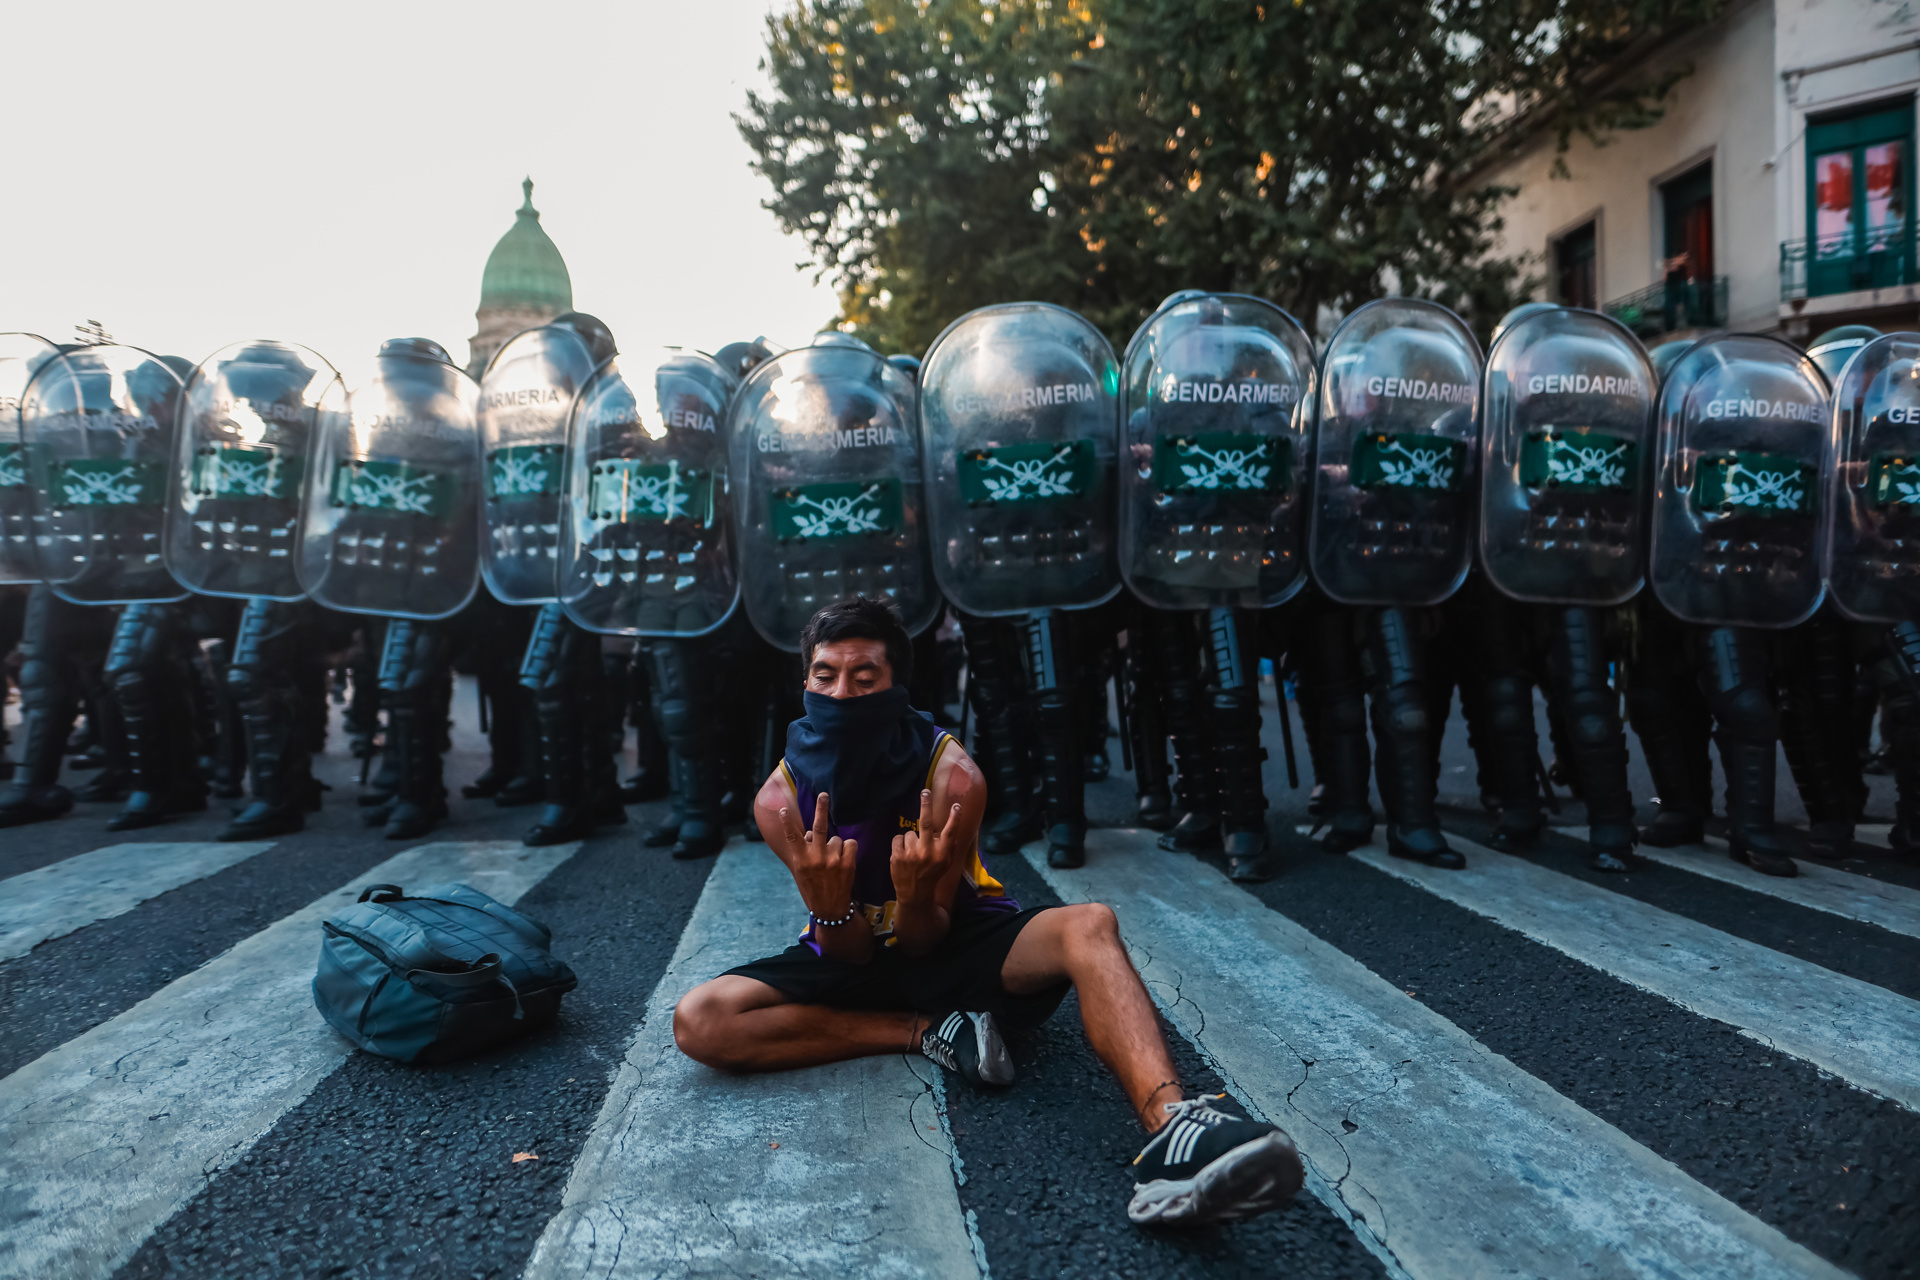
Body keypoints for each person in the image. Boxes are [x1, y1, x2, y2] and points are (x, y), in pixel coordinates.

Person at [671, 596, 1303, 1226]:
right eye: (825, 676)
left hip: (956, 938)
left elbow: (925, 941)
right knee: (700, 1021)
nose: (840, 696)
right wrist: (831, 908)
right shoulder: (778, 801)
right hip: (848, 949)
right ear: (804, 680)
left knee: (1089, 923)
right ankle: (926, 1031)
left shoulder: (953, 777)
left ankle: (1173, 1125)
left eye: (865, 679)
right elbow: (851, 952)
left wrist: (916, 893)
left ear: (897, 686)